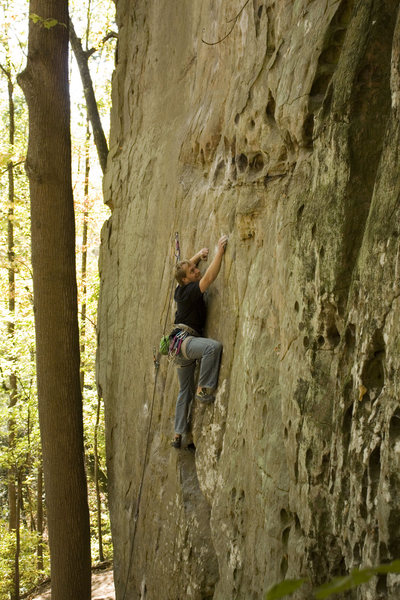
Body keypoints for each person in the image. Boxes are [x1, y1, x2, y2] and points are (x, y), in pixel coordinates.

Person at [171, 235, 228, 449]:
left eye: (196, 268)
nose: (197, 270)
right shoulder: (191, 291)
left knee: (184, 390)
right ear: (187, 280)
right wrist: (218, 252)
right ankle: (204, 389)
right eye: (193, 272)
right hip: (186, 342)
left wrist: (198, 256)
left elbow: (185, 269)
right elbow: (211, 276)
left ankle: (178, 434)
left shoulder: (180, 288)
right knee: (212, 348)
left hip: (178, 345)